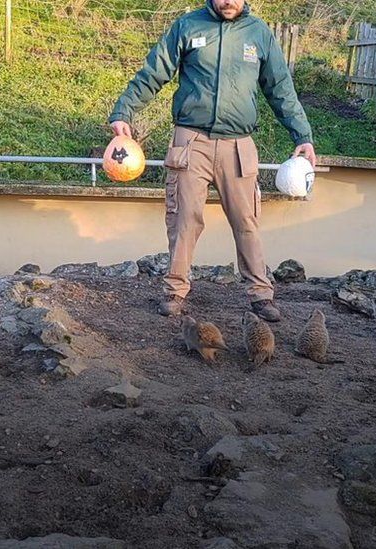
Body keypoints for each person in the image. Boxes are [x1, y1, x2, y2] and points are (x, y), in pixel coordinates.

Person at [108, 0, 315, 323]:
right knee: (184, 219)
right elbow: (153, 72)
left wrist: (302, 135)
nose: (227, 1)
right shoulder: (187, 27)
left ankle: (261, 294)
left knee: (247, 221)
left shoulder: (259, 33)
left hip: (239, 145)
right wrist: (124, 112)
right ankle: (175, 290)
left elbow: (280, 89)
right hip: (190, 140)